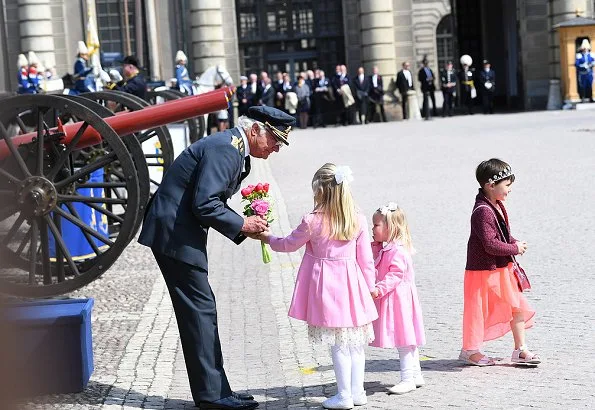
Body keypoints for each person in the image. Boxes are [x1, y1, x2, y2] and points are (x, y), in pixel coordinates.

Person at [139, 106, 295, 410]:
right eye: (275, 140)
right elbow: (206, 203)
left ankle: (219, 390)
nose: (276, 148)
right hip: (174, 234)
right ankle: (213, 396)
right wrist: (242, 224)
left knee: (201, 311)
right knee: (200, 312)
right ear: (256, 130)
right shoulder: (227, 149)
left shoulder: (231, 147)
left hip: (178, 231)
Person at [259, 163, 377, 410]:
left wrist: (268, 237)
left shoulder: (312, 221)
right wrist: (370, 288)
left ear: (320, 190)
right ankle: (358, 392)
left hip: (328, 288)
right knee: (355, 341)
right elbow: (366, 260)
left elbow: (289, 244)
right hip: (353, 286)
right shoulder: (358, 219)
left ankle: (344, 395)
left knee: (339, 344)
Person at [460, 158, 540, 367]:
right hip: (482, 270)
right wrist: (514, 248)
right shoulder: (482, 211)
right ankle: (470, 351)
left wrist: (514, 242)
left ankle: (520, 349)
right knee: (477, 309)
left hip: (501, 268)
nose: (509, 190)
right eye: (507, 185)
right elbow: (490, 244)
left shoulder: (495, 205)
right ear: (490, 185)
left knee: (517, 304)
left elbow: (501, 236)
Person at [370, 202, 425, 395]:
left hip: (399, 301)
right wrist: (376, 246)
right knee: (408, 339)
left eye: (376, 225)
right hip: (399, 300)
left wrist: (379, 289)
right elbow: (376, 262)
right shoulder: (390, 248)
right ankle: (416, 374)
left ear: (390, 227)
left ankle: (407, 378)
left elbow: (395, 275)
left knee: (404, 339)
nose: (372, 229)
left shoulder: (397, 251)